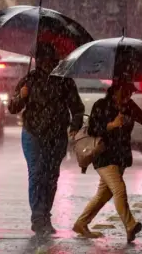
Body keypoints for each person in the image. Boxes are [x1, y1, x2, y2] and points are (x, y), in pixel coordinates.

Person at [8, 43, 85, 235]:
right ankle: (37, 217)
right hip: (32, 134)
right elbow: (13, 108)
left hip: (57, 136)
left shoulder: (65, 81)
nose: (45, 64)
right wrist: (21, 96)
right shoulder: (29, 80)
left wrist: (74, 127)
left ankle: (45, 215)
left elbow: (77, 108)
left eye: (49, 60)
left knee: (51, 177)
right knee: (37, 173)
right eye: (41, 60)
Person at [72, 80, 142, 243]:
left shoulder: (129, 106)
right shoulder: (101, 105)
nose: (128, 96)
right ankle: (130, 225)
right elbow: (92, 130)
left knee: (103, 195)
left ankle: (81, 223)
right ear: (115, 91)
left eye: (130, 93)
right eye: (125, 92)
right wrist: (111, 125)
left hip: (120, 156)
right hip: (104, 156)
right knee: (119, 189)